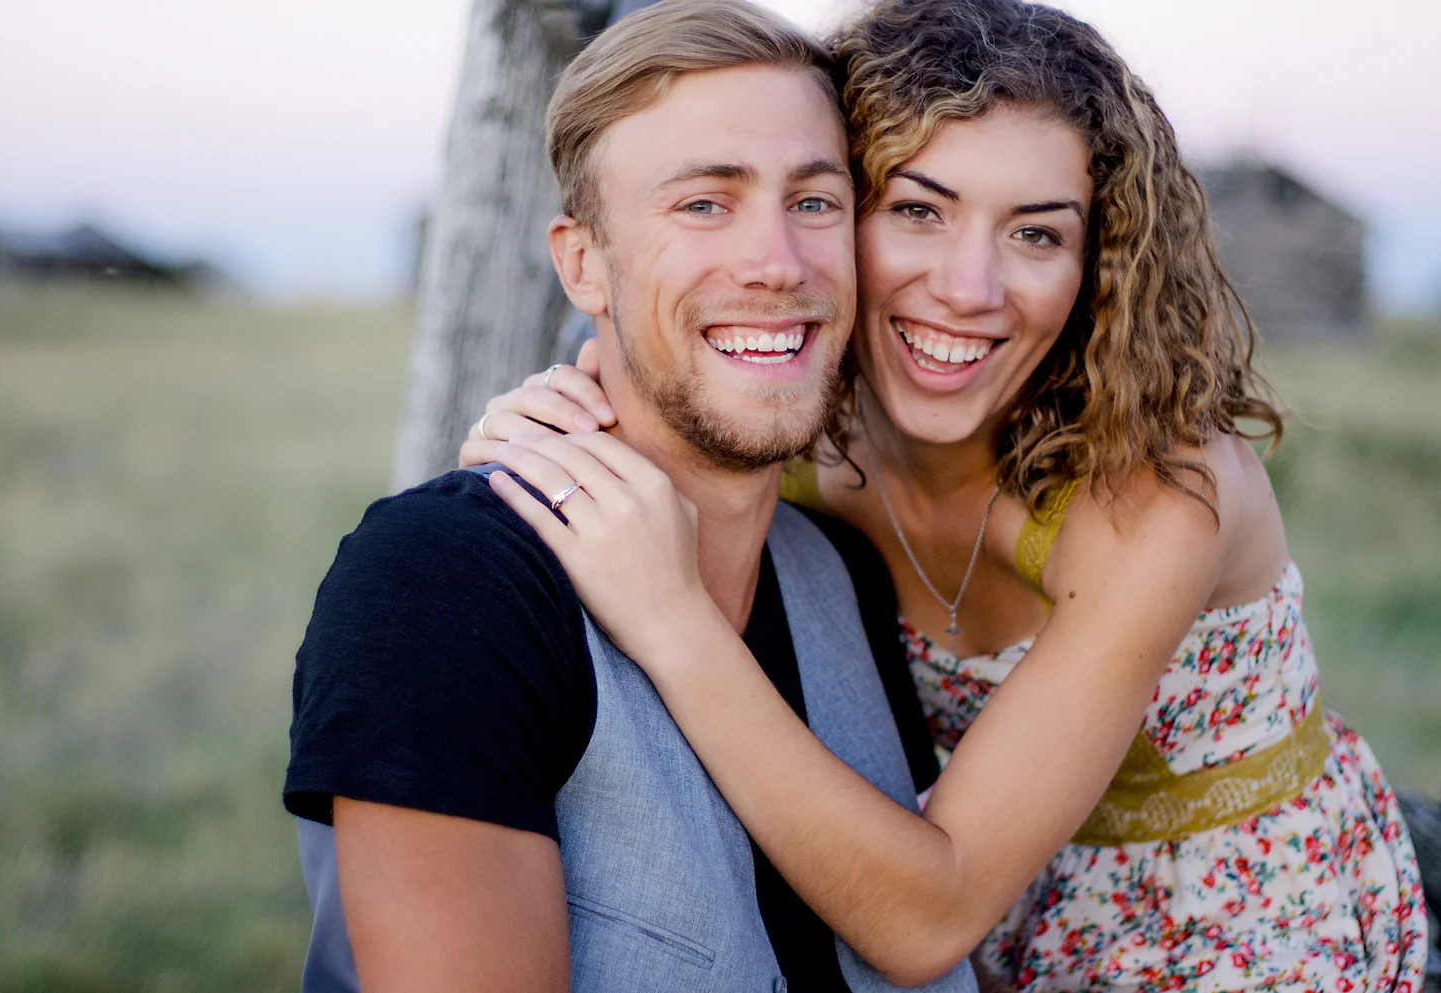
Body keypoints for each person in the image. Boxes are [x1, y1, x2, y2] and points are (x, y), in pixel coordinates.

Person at [466, 0, 1430, 988]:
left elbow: (927, 919)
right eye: (918, 211)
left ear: (1098, 262)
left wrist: (674, 622)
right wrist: (540, 432)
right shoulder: (803, 441)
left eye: (1036, 234)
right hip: (970, 923)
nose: (969, 288)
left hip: (1232, 928)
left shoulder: (1158, 489)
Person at [282, 1, 979, 990]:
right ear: (583, 264)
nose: (777, 263)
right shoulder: (443, 582)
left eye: (815, 202)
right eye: (704, 204)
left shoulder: (846, 573)